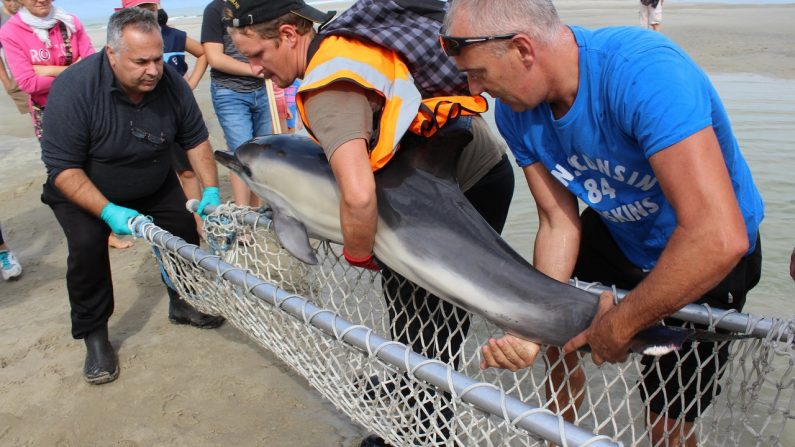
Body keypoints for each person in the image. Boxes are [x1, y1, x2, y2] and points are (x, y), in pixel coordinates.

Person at [442, 1, 764, 445]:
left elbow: (718, 236)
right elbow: (557, 221)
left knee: (667, 417)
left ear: (522, 49)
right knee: (553, 335)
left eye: (478, 73)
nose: (475, 89)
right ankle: (560, 432)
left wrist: (621, 325)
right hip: (616, 232)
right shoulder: (514, 112)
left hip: (705, 253)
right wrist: (528, 329)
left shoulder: (643, 73)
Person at [224, 1, 514, 445]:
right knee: (409, 306)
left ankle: (423, 434)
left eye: (257, 55)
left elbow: (359, 196)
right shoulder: (339, 43)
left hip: (461, 182)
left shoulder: (326, 88)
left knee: (430, 321)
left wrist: (359, 253)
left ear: (287, 35)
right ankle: (411, 386)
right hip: (453, 168)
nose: (254, 68)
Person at [40, 8, 225, 385]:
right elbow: (63, 169)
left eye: (157, 58)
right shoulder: (75, 88)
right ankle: (95, 338)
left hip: (152, 180)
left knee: (182, 233)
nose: (153, 70)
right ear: (111, 54)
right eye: (141, 61)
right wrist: (108, 212)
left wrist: (210, 189)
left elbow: (196, 140)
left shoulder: (169, 84)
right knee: (87, 250)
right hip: (84, 189)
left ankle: (183, 301)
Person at [118, 0, 210, 236]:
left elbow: (203, 53)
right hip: (143, 119)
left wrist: (191, 83)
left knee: (187, 171)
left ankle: (198, 221)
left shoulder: (176, 36)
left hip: (175, 115)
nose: (146, 12)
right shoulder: (123, 44)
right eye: (140, 8)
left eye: (150, 7)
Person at [201, 0, 272, 208]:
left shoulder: (257, 5)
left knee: (262, 153)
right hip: (230, 92)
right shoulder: (215, 10)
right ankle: (242, 216)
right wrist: (255, 70)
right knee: (240, 153)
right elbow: (215, 57)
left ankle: (256, 209)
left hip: (264, 89)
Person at [0, 0, 29, 114]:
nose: (12, 3)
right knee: (39, 122)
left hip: (46, 73)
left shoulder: (32, 10)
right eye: (8, 0)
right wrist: (7, 83)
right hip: (19, 79)